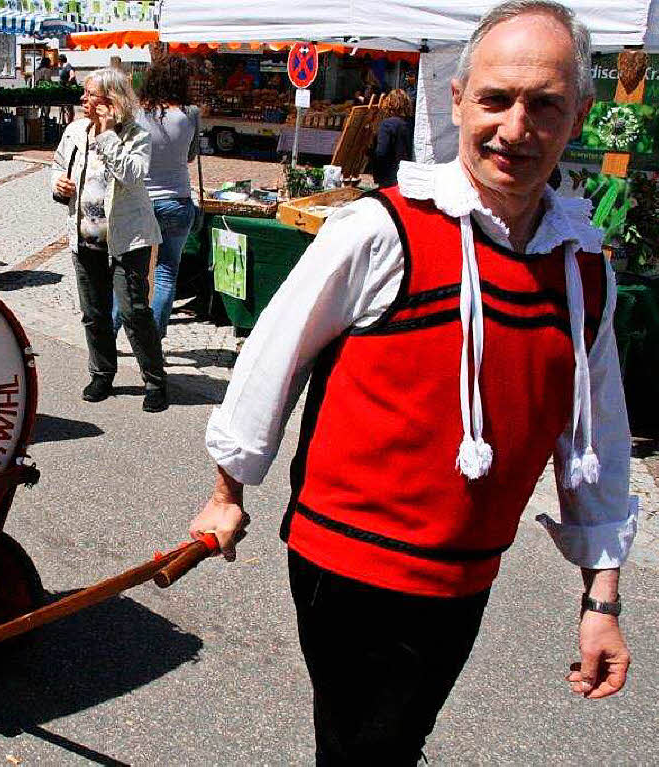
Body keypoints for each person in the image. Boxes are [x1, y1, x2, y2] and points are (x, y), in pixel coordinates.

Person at [188, 2, 634, 763]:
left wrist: (601, 598)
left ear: (580, 114)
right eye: (496, 99)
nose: (517, 128)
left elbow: (597, 437)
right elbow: (274, 355)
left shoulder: (581, 267)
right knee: (371, 744)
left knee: (394, 738)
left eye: (545, 104)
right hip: (349, 562)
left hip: (467, 572)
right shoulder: (379, 228)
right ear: (457, 98)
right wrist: (228, 491)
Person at [50, 68, 167, 412]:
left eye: (89, 94)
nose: (82, 100)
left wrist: (107, 135)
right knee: (94, 312)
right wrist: (57, 182)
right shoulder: (74, 131)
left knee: (134, 312)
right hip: (85, 235)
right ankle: (102, 373)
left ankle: (155, 380)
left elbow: (133, 176)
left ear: (110, 101)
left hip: (128, 238)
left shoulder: (137, 135)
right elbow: (57, 165)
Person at [116, 55, 199, 338]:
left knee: (129, 273)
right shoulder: (191, 113)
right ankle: (154, 340)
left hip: (142, 201)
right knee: (166, 271)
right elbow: (190, 156)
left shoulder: (137, 114)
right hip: (177, 199)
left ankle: (111, 332)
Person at [371, 88, 413, 187]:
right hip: (406, 173)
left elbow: (381, 152)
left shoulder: (387, 124)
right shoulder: (411, 123)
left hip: (389, 175)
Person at [58, 54, 75, 125]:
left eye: (59, 60)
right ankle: (64, 121)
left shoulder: (68, 66)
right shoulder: (61, 67)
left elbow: (72, 75)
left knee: (69, 106)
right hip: (63, 89)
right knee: (63, 106)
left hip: (68, 89)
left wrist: (68, 83)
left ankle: (70, 122)